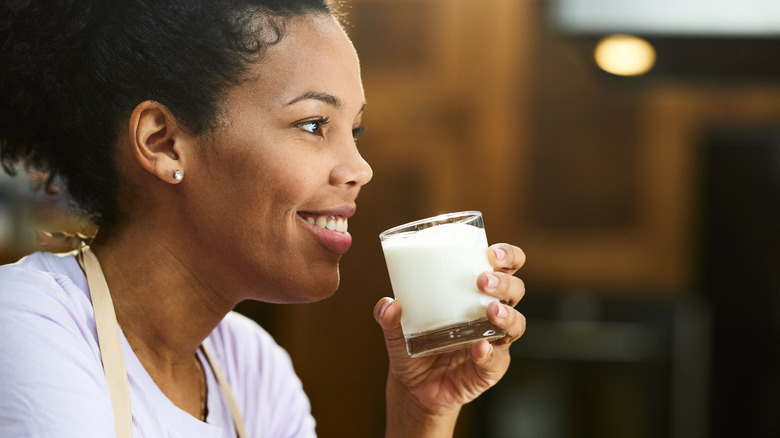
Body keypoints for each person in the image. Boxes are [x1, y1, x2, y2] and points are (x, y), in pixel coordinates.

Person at [0, 0, 527, 436]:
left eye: (355, 132)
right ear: (163, 142)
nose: (360, 169)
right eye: (314, 124)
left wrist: (422, 413)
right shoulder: (25, 325)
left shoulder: (253, 366)